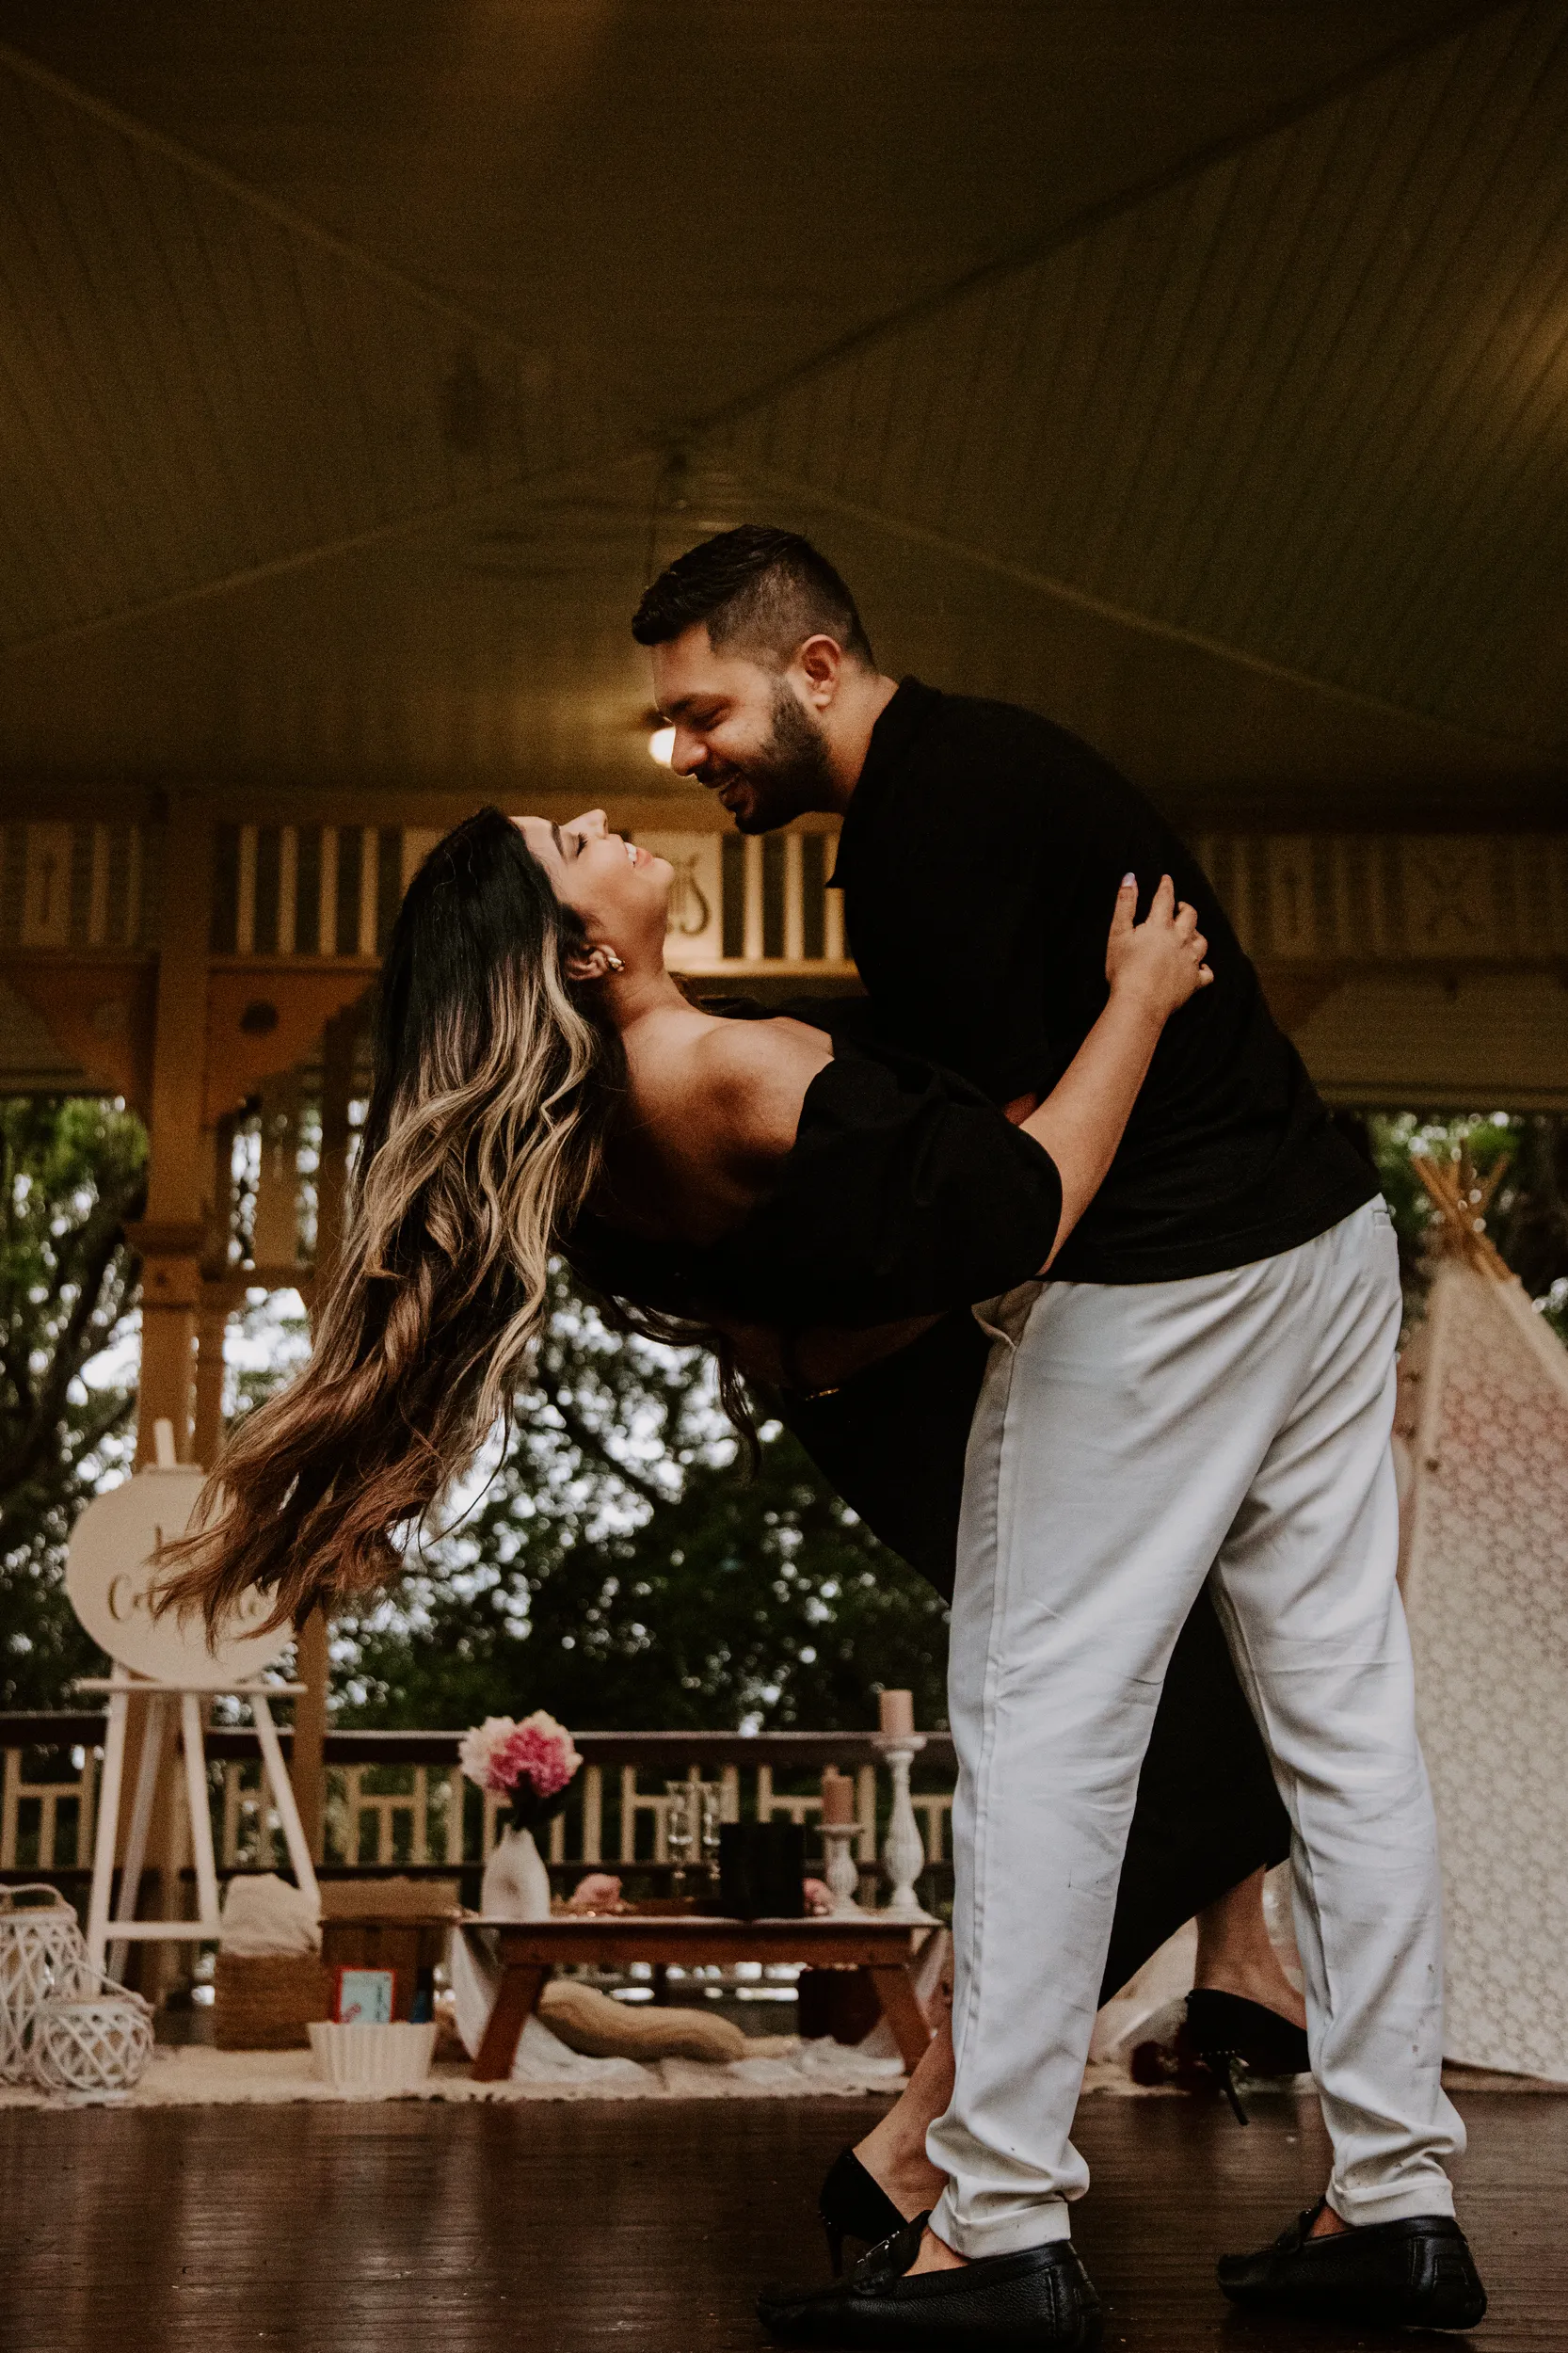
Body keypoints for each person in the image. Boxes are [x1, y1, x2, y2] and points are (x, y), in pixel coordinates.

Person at [632, 528, 1486, 2343]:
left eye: (699, 710)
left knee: (1039, 1722)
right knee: (1342, 1722)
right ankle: (1397, 2201)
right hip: (1324, 1248)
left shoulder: (922, 836)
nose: (681, 754)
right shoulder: (1001, 770)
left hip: (1166, 1282)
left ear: (811, 667)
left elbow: (1006, 1169)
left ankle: (997, 2227)